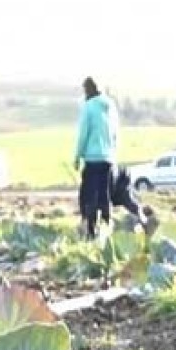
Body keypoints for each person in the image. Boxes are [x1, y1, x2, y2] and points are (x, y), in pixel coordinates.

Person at [74, 77, 119, 239]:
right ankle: (107, 227)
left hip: (92, 158)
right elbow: (115, 133)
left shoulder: (88, 107)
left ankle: (91, 231)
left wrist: (77, 156)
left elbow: (83, 134)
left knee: (89, 194)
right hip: (108, 157)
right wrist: (113, 153)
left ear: (88, 90)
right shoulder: (110, 105)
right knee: (104, 194)